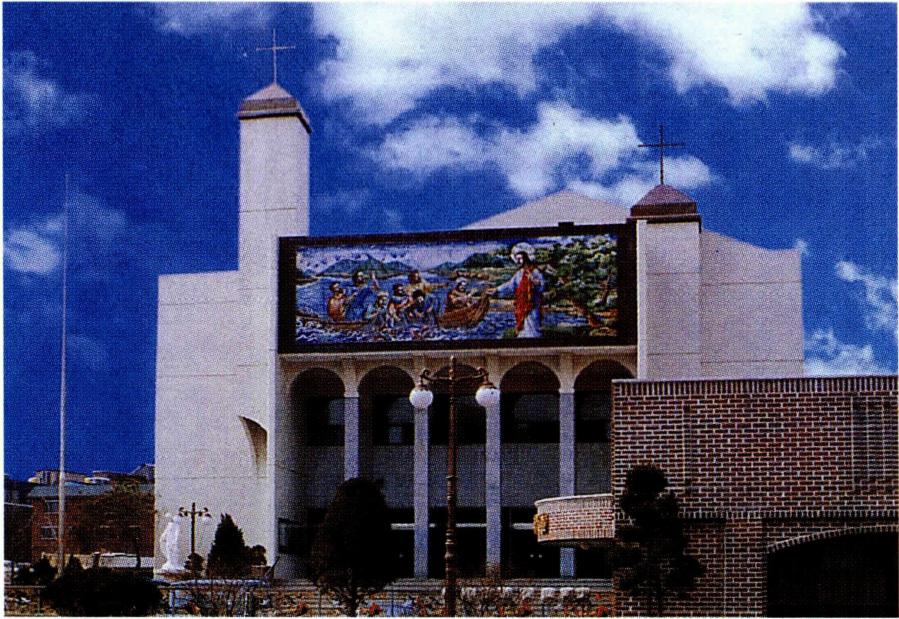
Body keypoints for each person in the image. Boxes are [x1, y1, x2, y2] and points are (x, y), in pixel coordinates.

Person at [494, 242, 544, 338]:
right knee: (523, 329)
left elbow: (541, 287)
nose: (519, 261)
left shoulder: (535, 272)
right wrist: (496, 289)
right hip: (521, 305)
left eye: (520, 258)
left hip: (532, 306)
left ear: (526, 258)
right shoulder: (519, 273)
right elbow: (510, 285)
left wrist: (534, 281)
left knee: (532, 329)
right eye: (517, 259)